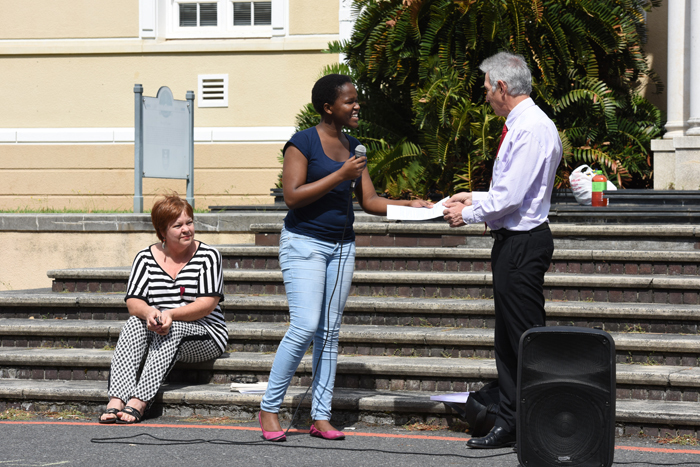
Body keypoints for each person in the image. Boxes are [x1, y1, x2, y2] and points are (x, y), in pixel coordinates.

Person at [258, 74, 431, 441]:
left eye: (357, 100)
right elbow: (292, 196)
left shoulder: (356, 148)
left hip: (342, 246)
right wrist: (340, 173)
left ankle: (321, 416)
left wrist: (410, 205)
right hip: (304, 243)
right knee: (304, 326)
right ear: (328, 107)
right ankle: (269, 408)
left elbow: (370, 203)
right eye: (349, 101)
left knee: (329, 333)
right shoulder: (302, 143)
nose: (356, 106)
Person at [442, 52, 562, 449]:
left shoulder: (529, 128)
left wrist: (469, 213)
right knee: (511, 339)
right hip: (516, 242)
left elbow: (511, 198)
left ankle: (531, 421)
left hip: (522, 244)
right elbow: (514, 189)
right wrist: (474, 195)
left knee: (524, 338)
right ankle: (516, 419)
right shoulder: (526, 124)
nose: (486, 97)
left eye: (487, 89)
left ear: (503, 88)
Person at [98, 194, 227, 424]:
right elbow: (133, 302)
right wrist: (150, 313)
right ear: (162, 232)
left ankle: (139, 401)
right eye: (178, 225)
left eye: (189, 222)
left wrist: (170, 314)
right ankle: (116, 399)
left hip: (207, 334)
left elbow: (207, 304)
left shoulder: (208, 256)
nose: (186, 229)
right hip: (158, 331)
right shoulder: (145, 258)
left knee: (174, 329)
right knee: (134, 324)